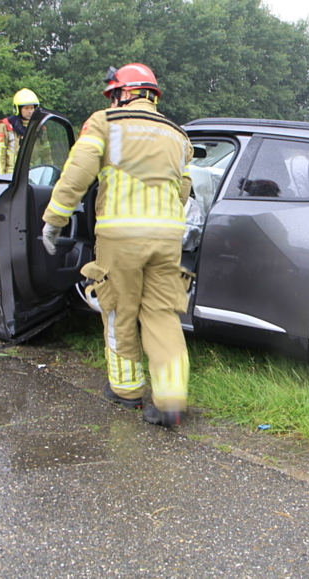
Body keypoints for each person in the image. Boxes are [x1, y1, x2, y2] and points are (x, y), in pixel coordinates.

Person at [41, 64, 194, 426]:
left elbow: (78, 173)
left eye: (113, 95)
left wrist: (54, 219)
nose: (112, 101)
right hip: (168, 237)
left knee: (118, 310)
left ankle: (126, 391)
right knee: (162, 314)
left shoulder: (105, 122)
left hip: (120, 236)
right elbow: (184, 189)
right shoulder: (177, 134)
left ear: (124, 93)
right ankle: (171, 400)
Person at [0, 89, 38, 176]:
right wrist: (0, 178)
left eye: (32, 108)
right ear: (18, 109)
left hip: (32, 173)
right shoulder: (5, 126)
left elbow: (46, 154)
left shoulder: (39, 127)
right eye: (26, 108)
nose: (30, 111)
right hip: (11, 175)